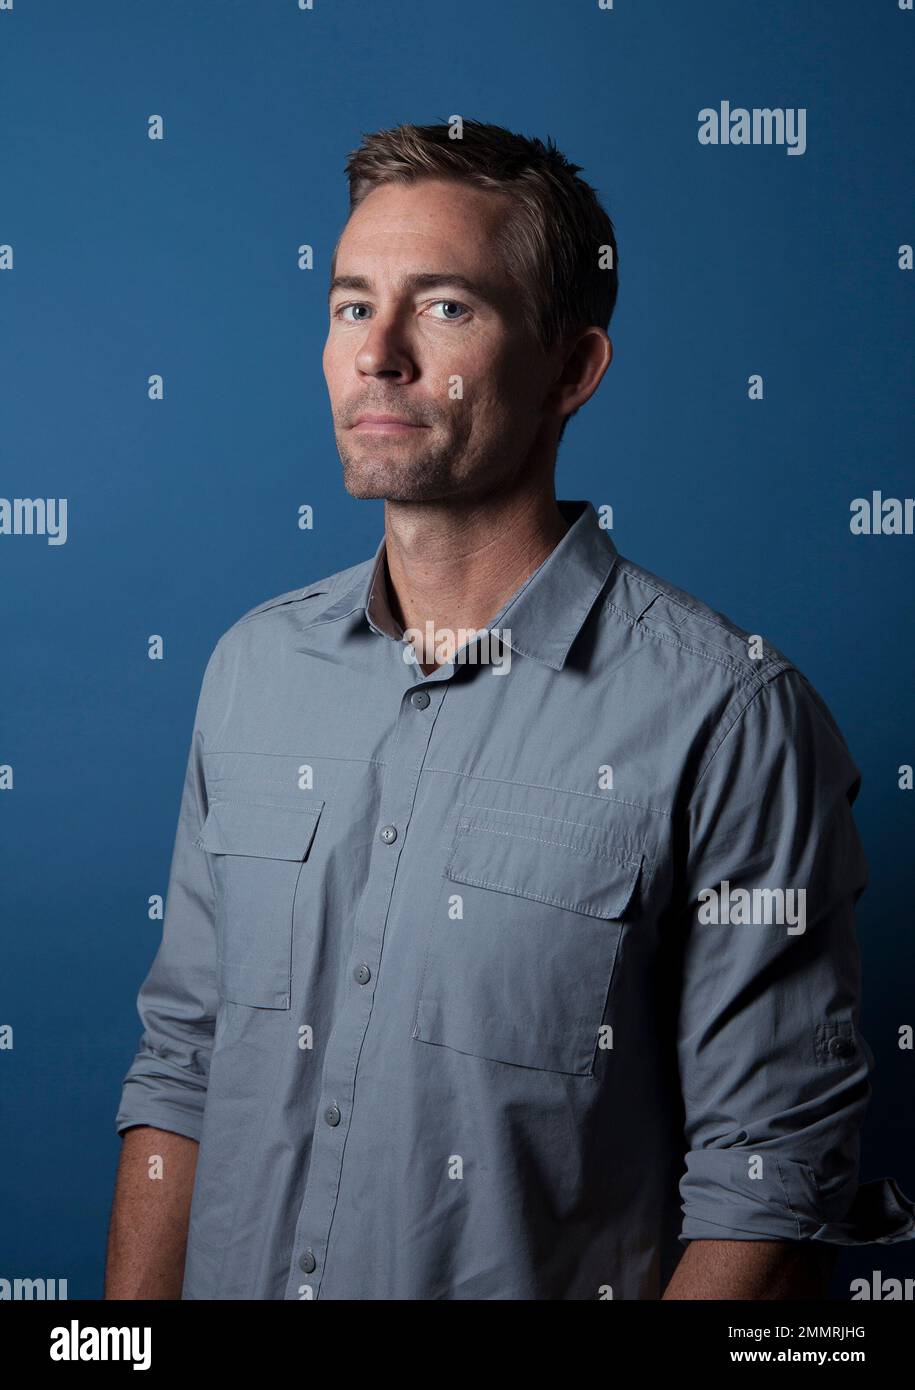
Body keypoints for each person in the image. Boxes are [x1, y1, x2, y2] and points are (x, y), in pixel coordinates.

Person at [105, 119, 913, 1300]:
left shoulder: (730, 716)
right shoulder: (250, 670)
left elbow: (769, 1180)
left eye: (444, 308)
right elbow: (182, 1070)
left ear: (573, 368)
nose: (377, 353)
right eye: (348, 305)